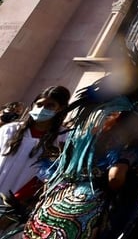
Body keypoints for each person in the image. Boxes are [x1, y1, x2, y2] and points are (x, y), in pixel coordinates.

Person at [21, 43, 138, 239]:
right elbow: (115, 177)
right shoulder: (126, 147)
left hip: (59, 198)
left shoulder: (85, 137)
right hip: (91, 206)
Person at [0, 86, 70, 230]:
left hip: (17, 207)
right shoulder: (10, 130)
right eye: (39, 104)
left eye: (50, 105)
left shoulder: (64, 139)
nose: (42, 109)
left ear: (61, 109)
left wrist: (16, 207)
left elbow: (49, 178)